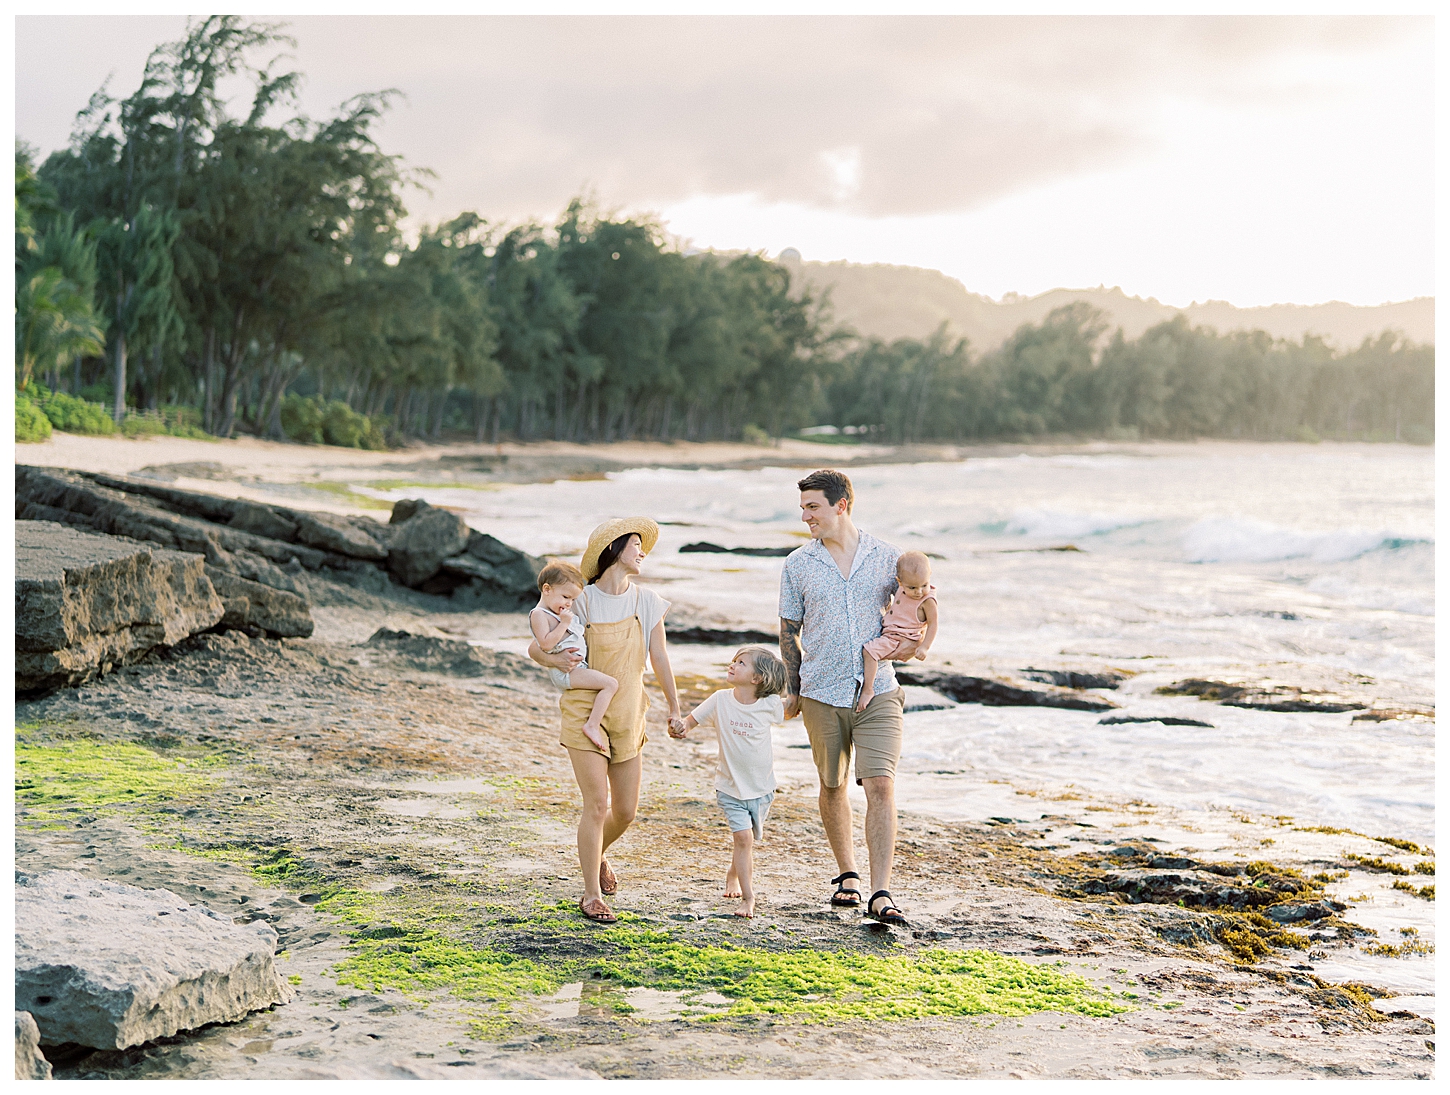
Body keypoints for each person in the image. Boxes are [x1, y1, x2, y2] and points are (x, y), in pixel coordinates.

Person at [528, 518, 682, 923]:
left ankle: (596, 855)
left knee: (626, 811)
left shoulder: (647, 601)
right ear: (614, 549)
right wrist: (552, 658)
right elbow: (536, 644)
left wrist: (675, 707)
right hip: (585, 710)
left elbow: (660, 658)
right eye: (635, 543)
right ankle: (591, 894)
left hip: (629, 710)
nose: (642, 551)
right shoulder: (582, 600)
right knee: (597, 805)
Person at [778, 469, 910, 926]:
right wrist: (792, 689)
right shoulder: (797, 564)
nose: (805, 516)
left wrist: (913, 643)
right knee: (833, 784)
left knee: (880, 785)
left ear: (842, 506)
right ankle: (847, 874)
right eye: (803, 507)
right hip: (820, 693)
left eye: (812, 507)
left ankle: (880, 892)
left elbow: (913, 612)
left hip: (879, 691)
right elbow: (788, 632)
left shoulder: (888, 558)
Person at [668, 646, 787, 919]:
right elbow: (689, 723)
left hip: (762, 789)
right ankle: (749, 899)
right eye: (734, 661)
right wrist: (678, 727)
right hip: (729, 787)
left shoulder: (768, 705)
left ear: (758, 678)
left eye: (741, 663)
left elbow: (793, 708)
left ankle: (733, 873)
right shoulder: (720, 699)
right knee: (743, 838)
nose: (732, 665)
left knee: (745, 842)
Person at [529, 560, 617, 752]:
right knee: (610, 684)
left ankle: (594, 723)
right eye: (566, 597)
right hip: (566, 672)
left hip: (576, 668)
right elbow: (545, 643)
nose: (569, 603)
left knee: (604, 686)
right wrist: (563, 623)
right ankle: (592, 725)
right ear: (547, 589)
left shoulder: (558, 613)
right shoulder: (539, 615)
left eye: (572, 600)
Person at [857, 551, 938, 712]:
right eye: (912, 587)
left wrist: (924, 647)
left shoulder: (927, 601)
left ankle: (868, 689)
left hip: (901, 638)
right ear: (899, 582)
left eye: (924, 585)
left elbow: (933, 624)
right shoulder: (902, 587)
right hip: (891, 633)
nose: (919, 591)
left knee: (869, 652)